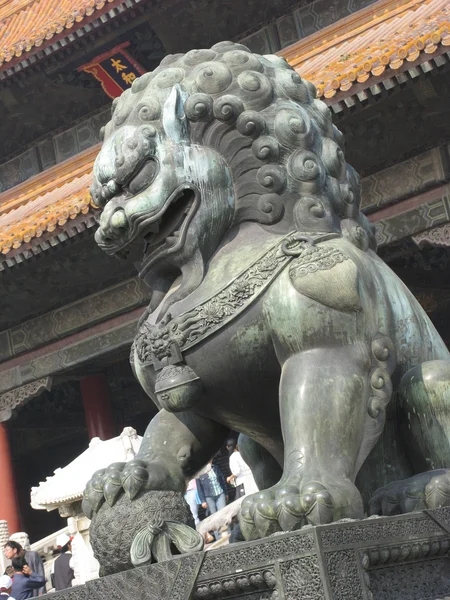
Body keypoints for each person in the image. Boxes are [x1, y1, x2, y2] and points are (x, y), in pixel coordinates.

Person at [196, 460, 227, 540]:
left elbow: (222, 480)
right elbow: (199, 488)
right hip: (209, 497)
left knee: (223, 514)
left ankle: (225, 534)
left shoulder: (215, 467)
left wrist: (226, 493)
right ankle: (219, 537)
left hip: (220, 493)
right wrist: (202, 500)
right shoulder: (199, 472)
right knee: (214, 517)